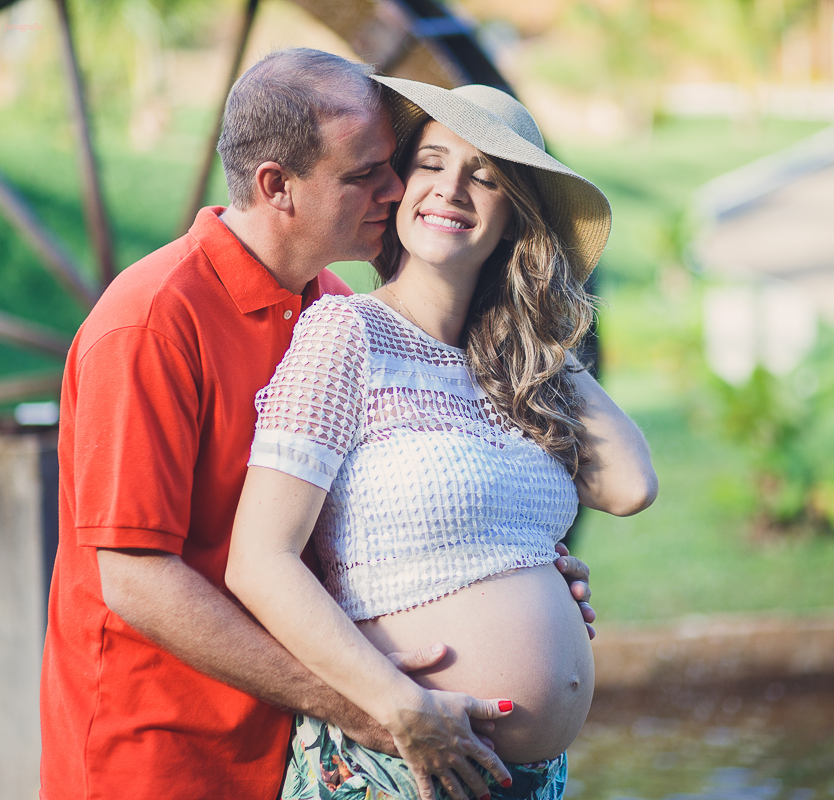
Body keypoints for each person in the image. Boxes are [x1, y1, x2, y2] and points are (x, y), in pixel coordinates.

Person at [39, 49, 598, 800]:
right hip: (160, 753)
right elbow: (136, 581)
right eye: (366, 172)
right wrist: (367, 705)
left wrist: (509, 564)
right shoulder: (151, 322)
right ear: (277, 186)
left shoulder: (331, 306)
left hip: (282, 743)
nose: (397, 188)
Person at [225, 76, 659, 800]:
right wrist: (401, 705)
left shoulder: (512, 371)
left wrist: (528, 326)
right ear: (398, 185)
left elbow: (631, 486)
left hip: (530, 780)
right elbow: (258, 561)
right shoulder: (346, 335)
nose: (452, 188)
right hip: (398, 766)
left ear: (515, 218)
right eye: (431, 163)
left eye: (485, 177)